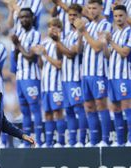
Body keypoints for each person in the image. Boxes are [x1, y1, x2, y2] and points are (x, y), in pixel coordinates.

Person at [75, 0, 112, 147]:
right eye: (89, 8)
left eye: (94, 8)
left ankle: (105, 139)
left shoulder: (106, 25)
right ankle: (94, 140)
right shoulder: (89, 26)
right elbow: (79, 50)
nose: (91, 10)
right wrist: (79, 34)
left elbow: (97, 47)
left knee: (101, 104)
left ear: (101, 8)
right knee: (89, 106)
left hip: (99, 72)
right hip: (86, 73)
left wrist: (83, 31)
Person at [102, 4, 131, 146]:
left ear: (126, 16)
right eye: (115, 16)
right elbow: (108, 55)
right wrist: (105, 43)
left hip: (124, 75)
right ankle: (120, 141)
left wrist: (110, 41)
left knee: (127, 107)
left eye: (121, 15)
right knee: (116, 109)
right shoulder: (115, 34)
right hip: (112, 76)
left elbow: (124, 53)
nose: (118, 18)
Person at [55, 4, 88, 147]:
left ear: (80, 16)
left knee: (79, 109)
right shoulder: (68, 34)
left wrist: (57, 42)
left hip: (75, 78)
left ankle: (82, 140)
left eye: (75, 15)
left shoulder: (81, 34)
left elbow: (71, 53)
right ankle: (73, 141)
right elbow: (60, 55)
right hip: (65, 78)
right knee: (68, 110)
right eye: (70, 15)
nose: (72, 18)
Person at [12, 8, 43, 147]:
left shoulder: (35, 34)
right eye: (21, 17)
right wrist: (15, 47)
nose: (23, 19)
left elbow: (31, 57)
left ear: (32, 18)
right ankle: (27, 141)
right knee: (24, 111)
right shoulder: (20, 34)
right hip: (20, 77)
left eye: (26, 17)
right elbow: (16, 57)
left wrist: (18, 45)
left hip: (32, 77)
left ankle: (39, 141)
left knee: (35, 109)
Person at [33, 18, 66, 148]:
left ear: (60, 29)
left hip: (56, 84)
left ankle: (61, 141)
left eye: (56, 26)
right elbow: (41, 65)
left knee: (58, 112)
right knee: (47, 113)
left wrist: (45, 55)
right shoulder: (45, 42)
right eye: (50, 26)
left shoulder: (61, 43)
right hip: (45, 84)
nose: (53, 28)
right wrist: (39, 55)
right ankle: (49, 141)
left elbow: (59, 65)